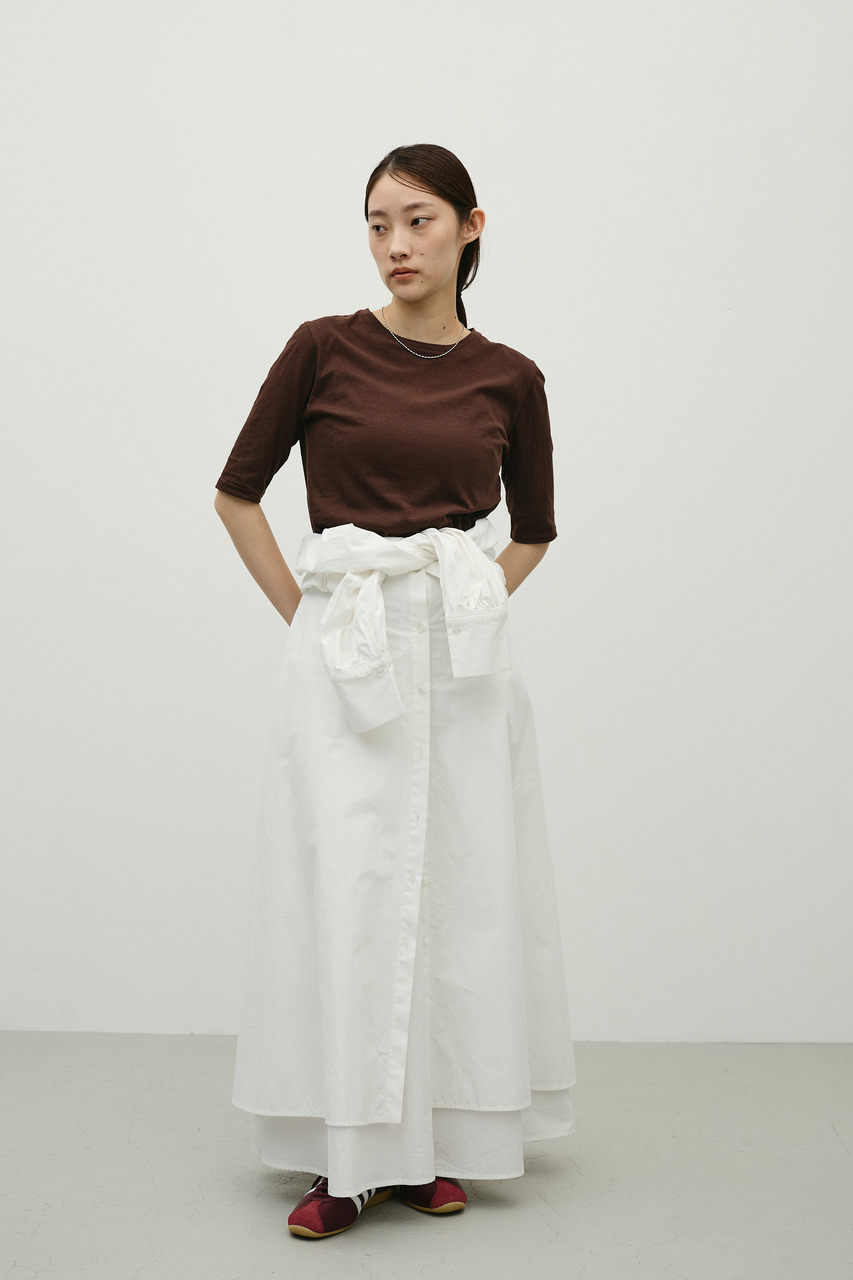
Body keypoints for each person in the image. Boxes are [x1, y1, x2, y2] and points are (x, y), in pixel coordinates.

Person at [214, 142, 576, 1241]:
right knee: (349, 887)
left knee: (458, 890)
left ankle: (433, 1147)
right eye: (377, 224)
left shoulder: (510, 375)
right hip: (347, 652)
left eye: (417, 220)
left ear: (471, 226)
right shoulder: (321, 348)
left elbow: (532, 531)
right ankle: (348, 1150)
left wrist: (464, 601)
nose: (394, 244)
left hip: (461, 663)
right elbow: (237, 495)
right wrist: (310, 618)